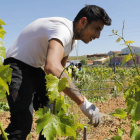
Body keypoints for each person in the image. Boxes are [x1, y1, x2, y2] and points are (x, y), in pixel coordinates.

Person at [1, 4, 111, 140]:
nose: (98, 35)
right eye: (97, 29)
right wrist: (84, 103)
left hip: (34, 69)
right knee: (22, 124)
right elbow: (52, 66)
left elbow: (59, 72)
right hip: (16, 66)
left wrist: (60, 99)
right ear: (83, 22)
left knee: (53, 109)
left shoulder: (72, 42)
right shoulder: (62, 30)